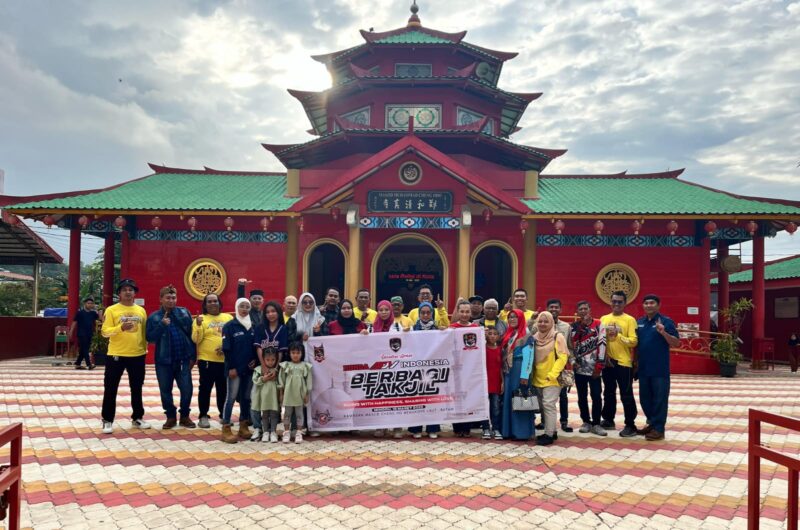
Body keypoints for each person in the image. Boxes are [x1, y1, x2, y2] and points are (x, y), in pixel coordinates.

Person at [100, 279, 151, 435]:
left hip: (137, 355)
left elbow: (144, 333)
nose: (128, 292)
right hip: (116, 354)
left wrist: (144, 349)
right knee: (111, 388)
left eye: (131, 290)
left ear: (135, 293)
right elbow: (105, 331)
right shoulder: (112, 310)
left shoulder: (141, 311)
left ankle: (137, 417)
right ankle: (107, 420)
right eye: (124, 290)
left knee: (137, 388)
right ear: (119, 294)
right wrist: (120, 327)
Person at [146, 285, 197, 430]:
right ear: (161, 299)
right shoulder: (154, 317)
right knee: (165, 390)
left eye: (173, 298)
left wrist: (193, 355)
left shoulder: (184, 312)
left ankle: (185, 416)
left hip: (183, 359)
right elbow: (149, 338)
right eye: (168, 298)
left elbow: (191, 335)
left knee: (187, 389)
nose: (171, 300)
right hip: (164, 360)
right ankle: (170, 416)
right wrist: (161, 325)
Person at [636, 294, 680, 441]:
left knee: (660, 399)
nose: (649, 305)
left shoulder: (666, 322)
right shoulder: (639, 322)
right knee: (645, 399)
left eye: (652, 303)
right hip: (643, 368)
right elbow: (636, 346)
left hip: (660, 369)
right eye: (646, 303)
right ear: (643, 306)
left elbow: (676, 343)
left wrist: (663, 332)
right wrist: (635, 363)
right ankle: (652, 423)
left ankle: (659, 429)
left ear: (658, 305)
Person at [600, 291, 640, 437]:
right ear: (610, 302)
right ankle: (608, 420)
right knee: (608, 392)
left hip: (624, 363)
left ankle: (630, 424)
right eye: (614, 301)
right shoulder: (604, 318)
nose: (616, 304)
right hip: (608, 362)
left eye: (620, 302)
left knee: (626, 394)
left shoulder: (630, 320)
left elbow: (634, 341)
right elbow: (601, 340)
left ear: (625, 303)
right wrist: (604, 357)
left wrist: (619, 335)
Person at [192, 293, 233, 429]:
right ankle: (203, 416)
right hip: (207, 361)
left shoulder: (228, 318)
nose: (213, 303)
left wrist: (226, 347)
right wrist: (198, 326)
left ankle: (223, 415)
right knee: (205, 389)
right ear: (205, 305)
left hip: (224, 361)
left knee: (223, 389)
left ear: (219, 303)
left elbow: (233, 337)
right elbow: (196, 339)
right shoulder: (201, 319)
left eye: (215, 301)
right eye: (209, 302)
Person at [527, 311, 568, 446]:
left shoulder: (558, 336)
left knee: (548, 405)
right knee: (544, 407)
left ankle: (549, 435)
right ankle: (553, 430)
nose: (543, 324)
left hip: (552, 378)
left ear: (552, 323)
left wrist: (553, 374)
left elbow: (563, 357)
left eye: (546, 321)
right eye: (540, 321)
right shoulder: (534, 337)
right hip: (537, 378)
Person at [220, 298, 257, 444]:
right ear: (236, 307)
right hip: (234, 369)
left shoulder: (253, 326)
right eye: (242, 306)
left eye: (247, 306)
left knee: (246, 398)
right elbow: (227, 349)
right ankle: (226, 428)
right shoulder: (230, 326)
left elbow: (255, 346)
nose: (245, 309)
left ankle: (243, 425)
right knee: (231, 398)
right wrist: (231, 367)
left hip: (249, 369)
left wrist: (255, 359)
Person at [251, 301, 289, 440]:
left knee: (274, 400)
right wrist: (264, 366)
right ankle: (258, 428)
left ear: (278, 312)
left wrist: (276, 369)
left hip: (277, 370)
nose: (270, 314)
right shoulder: (260, 328)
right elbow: (258, 348)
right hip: (262, 368)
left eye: (273, 311)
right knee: (256, 398)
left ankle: (272, 430)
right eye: (267, 312)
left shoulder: (283, 329)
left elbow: (281, 352)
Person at [570, 301, 607, 436]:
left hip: (595, 368)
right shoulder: (574, 326)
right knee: (582, 396)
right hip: (580, 368)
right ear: (578, 312)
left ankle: (597, 423)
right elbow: (572, 344)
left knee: (596, 395)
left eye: (586, 308)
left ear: (590, 310)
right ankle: (586, 421)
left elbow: (602, 344)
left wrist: (599, 366)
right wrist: (573, 362)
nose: (584, 311)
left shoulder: (598, 324)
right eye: (581, 309)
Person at [500, 309, 534, 441]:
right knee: (509, 399)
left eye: (515, 317)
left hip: (520, 370)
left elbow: (530, 356)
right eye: (510, 317)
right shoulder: (509, 334)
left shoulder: (526, 335)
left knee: (520, 398)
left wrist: (525, 375)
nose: (512, 319)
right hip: (508, 371)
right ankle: (508, 431)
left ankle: (521, 432)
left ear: (521, 319)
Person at [409, 301, 441, 438]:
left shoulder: (437, 329)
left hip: (432, 368)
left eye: (428, 313)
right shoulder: (413, 329)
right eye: (423, 312)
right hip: (417, 368)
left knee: (432, 398)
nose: (426, 315)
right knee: (418, 399)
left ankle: (432, 428)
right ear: (419, 313)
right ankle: (416, 429)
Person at [546, 299, 574, 433]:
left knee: (563, 396)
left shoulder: (566, 327)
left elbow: (569, 347)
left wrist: (572, 362)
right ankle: (544, 421)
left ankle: (564, 422)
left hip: (561, 366)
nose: (553, 309)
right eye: (551, 307)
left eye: (556, 307)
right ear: (547, 309)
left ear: (560, 310)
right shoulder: (541, 325)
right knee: (544, 396)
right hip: (545, 365)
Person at [280, 342, 312, 444]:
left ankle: (299, 432)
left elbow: (309, 381)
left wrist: (307, 393)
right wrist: (281, 393)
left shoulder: (305, 366)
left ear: (302, 354)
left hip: (300, 393)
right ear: (289, 353)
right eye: (293, 352)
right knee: (287, 413)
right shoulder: (286, 365)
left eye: (298, 353)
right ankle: (286, 432)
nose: (295, 355)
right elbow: (282, 380)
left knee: (299, 413)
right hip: (288, 393)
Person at [251, 346, 281, 443]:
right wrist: (263, 379)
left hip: (273, 398)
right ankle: (265, 432)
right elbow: (255, 381)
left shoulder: (277, 371)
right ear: (263, 359)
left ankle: (273, 432)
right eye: (267, 360)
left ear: (276, 359)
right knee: (264, 415)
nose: (270, 362)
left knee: (274, 414)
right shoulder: (259, 370)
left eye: (273, 359)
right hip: (263, 398)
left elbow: (281, 382)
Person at [481, 326, 503, 439]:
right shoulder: (482, 349)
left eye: (495, 334)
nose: (492, 336)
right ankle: (485, 428)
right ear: (485, 335)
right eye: (490, 333)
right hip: (484, 383)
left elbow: (501, 368)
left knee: (495, 407)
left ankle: (496, 428)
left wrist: (502, 382)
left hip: (496, 383)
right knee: (484, 407)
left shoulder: (500, 350)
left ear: (498, 336)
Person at [70, 296, 100, 370]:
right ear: (85, 304)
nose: (90, 305)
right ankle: (89, 364)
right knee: (85, 349)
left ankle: (77, 364)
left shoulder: (93, 313)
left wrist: (98, 310)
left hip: (90, 333)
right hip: (81, 333)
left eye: (91, 303)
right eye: (88, 303)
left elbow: (100, 318)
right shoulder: (80, 313)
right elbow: (74, 322)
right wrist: (71, 331)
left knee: (83, 350)